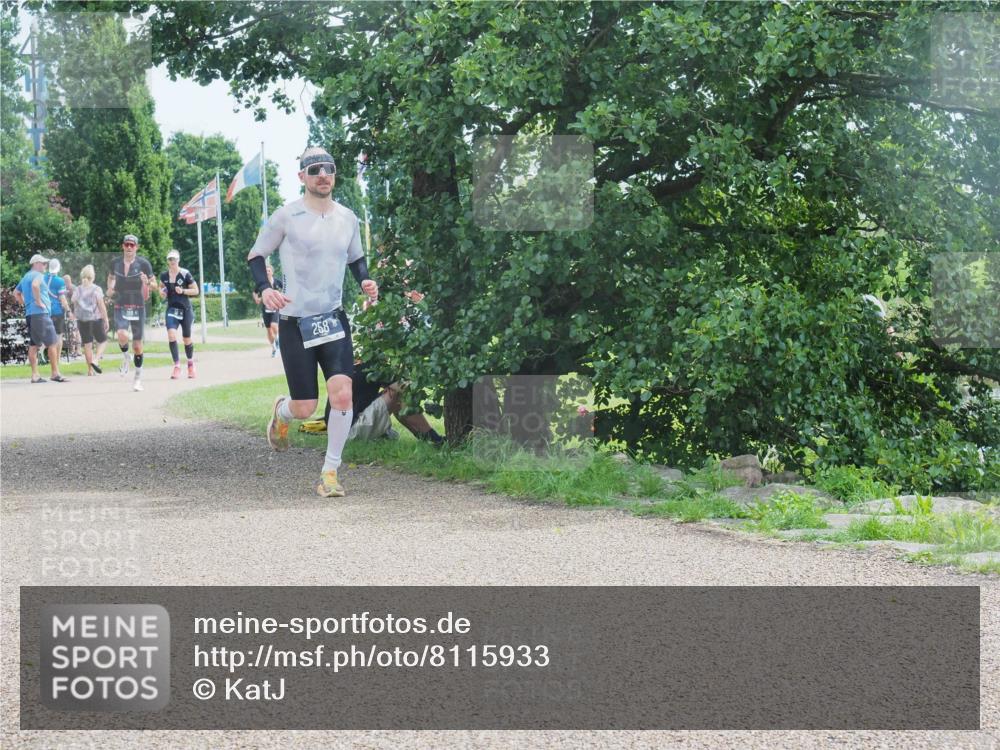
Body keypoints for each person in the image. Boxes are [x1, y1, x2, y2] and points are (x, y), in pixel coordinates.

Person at [247, 146, 378, 497]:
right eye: (315, 169)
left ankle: (330, 473)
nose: (324, 174)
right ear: (302, 176)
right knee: (305, 406)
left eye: (329, 169)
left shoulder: (348, 218)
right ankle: (282, 412)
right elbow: (257, 256)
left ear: (335, 176)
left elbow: (356, 260)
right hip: (295, 320)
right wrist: (265, 288)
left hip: (333, 319)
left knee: (342, 395)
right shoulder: (286, 216)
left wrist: (365, 280)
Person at [301, 360, 445, 445]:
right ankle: (433, 438)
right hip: (350, 434)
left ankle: (427, 438)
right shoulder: (373, 367)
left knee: (394, 395)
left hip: (338, 433)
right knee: (396, 393)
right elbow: (403, 386)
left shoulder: (350, 365)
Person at [106, 234, 153, 392]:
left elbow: (154, 283)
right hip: (121, 303)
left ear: (136, 247)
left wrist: (147, 282)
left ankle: (138, 379)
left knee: (138, 346)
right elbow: (111, 278)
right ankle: (126, 358)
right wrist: (110, 287)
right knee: (122, 334)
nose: (129, 248)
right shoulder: (115, 263)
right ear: (122, 246)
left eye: (132, 245)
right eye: (126, 245)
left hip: (138, 305)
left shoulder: (144, 264)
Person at [13, 253, 67, 383]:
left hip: (32, 314)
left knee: (34, 344)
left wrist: (26, 304)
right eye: (43, 263)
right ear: (36, 264)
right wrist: (38, 301)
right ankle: (54, 373)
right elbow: (35, 286)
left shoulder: (26, 276)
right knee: (52, 342)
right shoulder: (38, 275)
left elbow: (16, 293)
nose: (45, 266)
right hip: (40, 314)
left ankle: (36, 375)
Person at [159, 249, 199, 379]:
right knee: (171, 335)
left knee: (186, 339)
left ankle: (190, 364)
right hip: (172, 309)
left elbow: (196, 290)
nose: (172, 262)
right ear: (168, 261)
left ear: (178, 260)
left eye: (174, 259)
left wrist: (183, 291)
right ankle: (176, 366)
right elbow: (161, 289)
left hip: (185, 309)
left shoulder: (185, 274)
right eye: (170, 259)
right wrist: (162, 293)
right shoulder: (164, 276)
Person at [71, 264, 110, 375]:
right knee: (103, 341)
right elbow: (101, 306)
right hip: (95, 319)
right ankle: (96, 360)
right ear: (92, 276)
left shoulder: (78, 289)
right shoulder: (96, 289)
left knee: (87, 345)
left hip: (82, 320)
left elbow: (74, 301)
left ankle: (90, 370)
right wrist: (106, 319)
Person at [251, 260, 282, 357]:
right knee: (269, 330)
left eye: (269, 270)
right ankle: (274, 348)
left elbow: (286, 288)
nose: (267, 272)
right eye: (266, 271)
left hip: (275, 308)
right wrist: (257, 299)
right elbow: (255, 292)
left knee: (274, 325)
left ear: (272, 272)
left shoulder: (277, 282)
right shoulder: (262, 283)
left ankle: (278, 341)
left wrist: (280, 296)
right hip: (265, 308)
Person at [44, 258, 69, 364]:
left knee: (47, 336)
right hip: (57, 312)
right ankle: (57, 360)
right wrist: (68, 310)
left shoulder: (43, 278)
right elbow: (62, 299)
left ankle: (43, 357)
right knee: (59, 337)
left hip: (45, 311)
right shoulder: (60, 281)